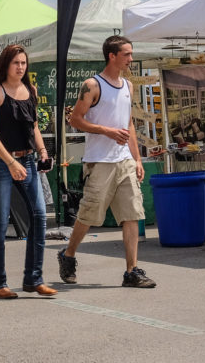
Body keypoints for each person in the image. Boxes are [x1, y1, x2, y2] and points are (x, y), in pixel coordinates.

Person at [59, 35, 155, 289]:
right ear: (112, 56)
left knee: (132, 214)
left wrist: (137, 158)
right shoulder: (92, 85)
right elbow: (75, 120)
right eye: (127, 54)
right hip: (99, 161)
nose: (131, 59)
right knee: (89, 215)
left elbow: (129, 124)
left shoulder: (128, 86)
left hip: (124, 160)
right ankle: (68, 255)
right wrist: (106, 131)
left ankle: (131, 271)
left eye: (131, 53)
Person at [0, 43, 53, 300]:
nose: (20, 67)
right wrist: (10, 163)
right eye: (16, 63)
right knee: (0, 222)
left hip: (29, 160)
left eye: (23, 63)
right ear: (6, 65)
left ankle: (34, 278)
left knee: (39, 215)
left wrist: (43, 151)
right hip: (0, 163)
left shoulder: (30, 90)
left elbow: (33, 126)